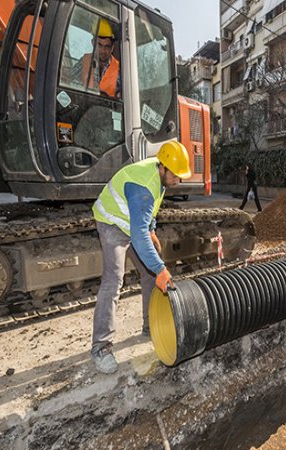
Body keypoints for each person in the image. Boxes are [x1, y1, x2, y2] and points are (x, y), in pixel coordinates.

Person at [91, 141, 192, 374]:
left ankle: (150, 327)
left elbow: (150, 210)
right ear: (164, 168)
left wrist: (152, 230)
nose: (179, 180)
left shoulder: (160, 177)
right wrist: (160, 268)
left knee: (148, 275)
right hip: (111, 223)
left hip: (132, 224)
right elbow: (138, 234)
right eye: (176, 175)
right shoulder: (143, 186)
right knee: (113, 280)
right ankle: (101, 347)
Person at [73, 19, 121, 98]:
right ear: (93, 43)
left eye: (107, 46)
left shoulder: (119, 70)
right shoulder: (85, 61)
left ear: (112, 48)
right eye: (99, 45)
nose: (103, 51)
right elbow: (67, 81)